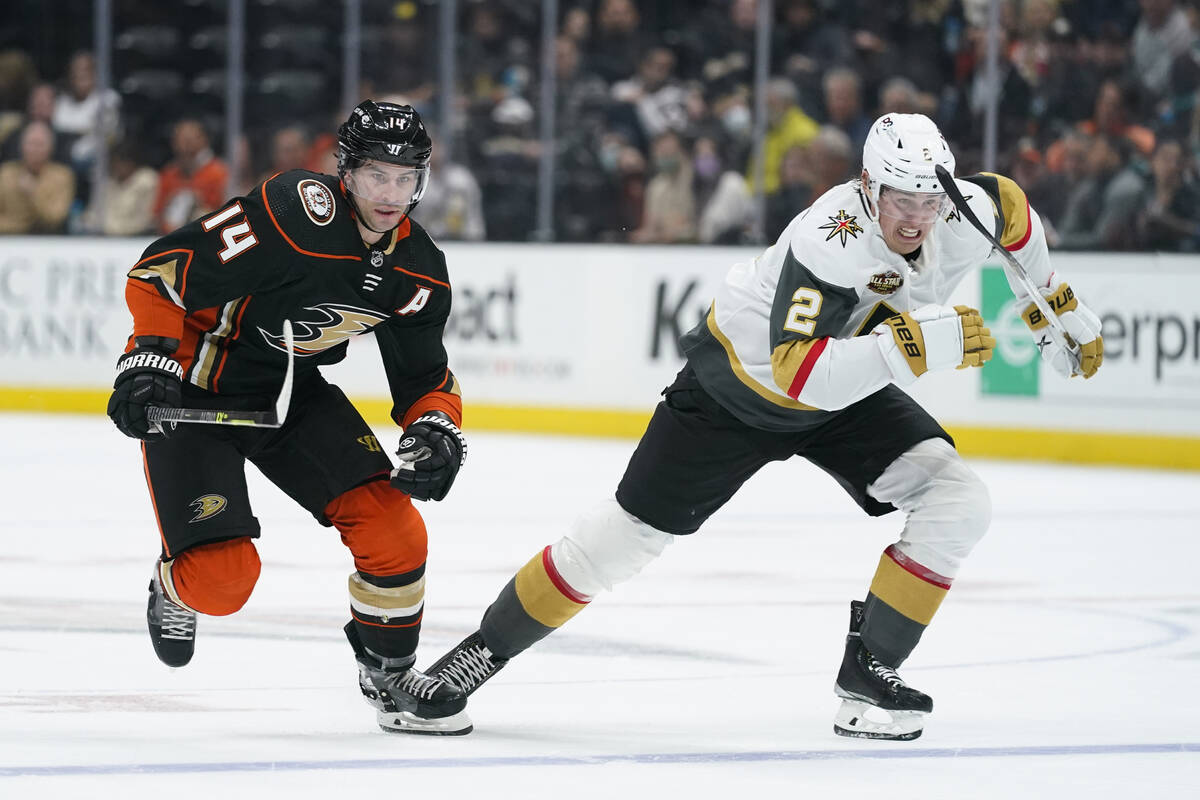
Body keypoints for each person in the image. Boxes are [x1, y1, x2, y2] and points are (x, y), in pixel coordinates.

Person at [419, 113, 1106, 741]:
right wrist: (922, 347)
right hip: (738, 392)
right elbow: (796, 373)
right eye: (902, 201)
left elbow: (1013, 214)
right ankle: (475, 656)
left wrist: (1054, 302)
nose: (918, 219)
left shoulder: (963, 207)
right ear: (868, 189)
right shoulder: (829, 237)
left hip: (849, 384)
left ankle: (868, 677)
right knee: (619, 543)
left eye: (930, 202)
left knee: (960, 500)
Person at [105, 100, 473, 736]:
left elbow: (423, 378)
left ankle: (386, 670)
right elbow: (161, 273)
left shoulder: (420, 270)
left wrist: (437, 425)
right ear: (346, 173)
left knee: (396, 532)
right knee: (222, 583)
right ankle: (173, 585)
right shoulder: (292, 212)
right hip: (194, 387)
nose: (391, 194)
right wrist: (149, 357)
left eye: (406, 177)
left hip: (286, 391)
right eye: (377, 175)